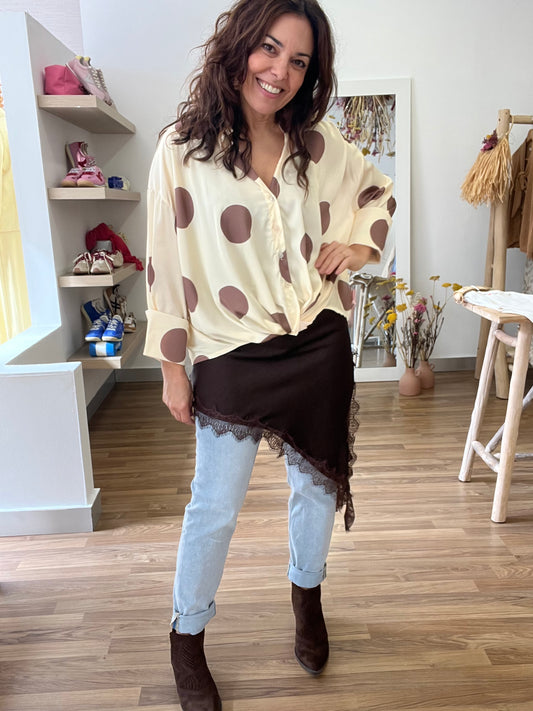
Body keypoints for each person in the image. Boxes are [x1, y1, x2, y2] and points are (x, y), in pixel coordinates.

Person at [144, 0, 395, 707]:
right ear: (239, 46)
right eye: (269, 49)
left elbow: (376, 192)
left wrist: (359, 248)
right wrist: (172, 367)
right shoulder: (181, 150)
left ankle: (306, 596)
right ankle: (187, 635)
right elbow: (163, 262)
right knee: (214, 506)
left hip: (315, 340)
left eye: (299, 61)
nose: (280, 71)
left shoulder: (315, 145)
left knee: (314, 489)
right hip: (230, 348)